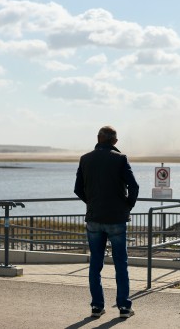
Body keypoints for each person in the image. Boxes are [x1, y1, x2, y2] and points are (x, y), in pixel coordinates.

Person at [74, 126, 139, 319]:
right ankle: (124, 307)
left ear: (98, 138)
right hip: (116, 219)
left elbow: (78, 189)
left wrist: (92, 203)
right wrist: (126, 207)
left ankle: (96, 306)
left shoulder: (85, 159)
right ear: (115, 142)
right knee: (121, 263)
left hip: (94, 218)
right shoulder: (120, 159)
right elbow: (134, 186)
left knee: (95, 263)